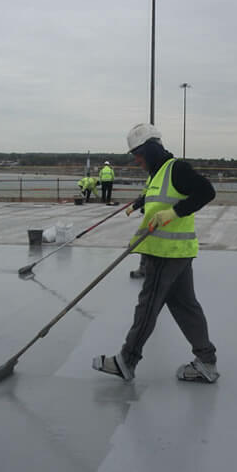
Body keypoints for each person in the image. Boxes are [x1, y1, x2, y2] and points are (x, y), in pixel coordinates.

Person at [93, 123, 219, 383]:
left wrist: (173, 213)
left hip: (167, 253)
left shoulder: (176, 169)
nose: (137, 160)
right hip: (176, 253)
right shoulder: (157, 174)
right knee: (186, 307)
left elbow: (207, 191)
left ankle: (126, 361)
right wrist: (139, 204)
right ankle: (206, 361)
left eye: (138, 154)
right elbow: (157, 199)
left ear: (150, 149)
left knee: (147, 307)